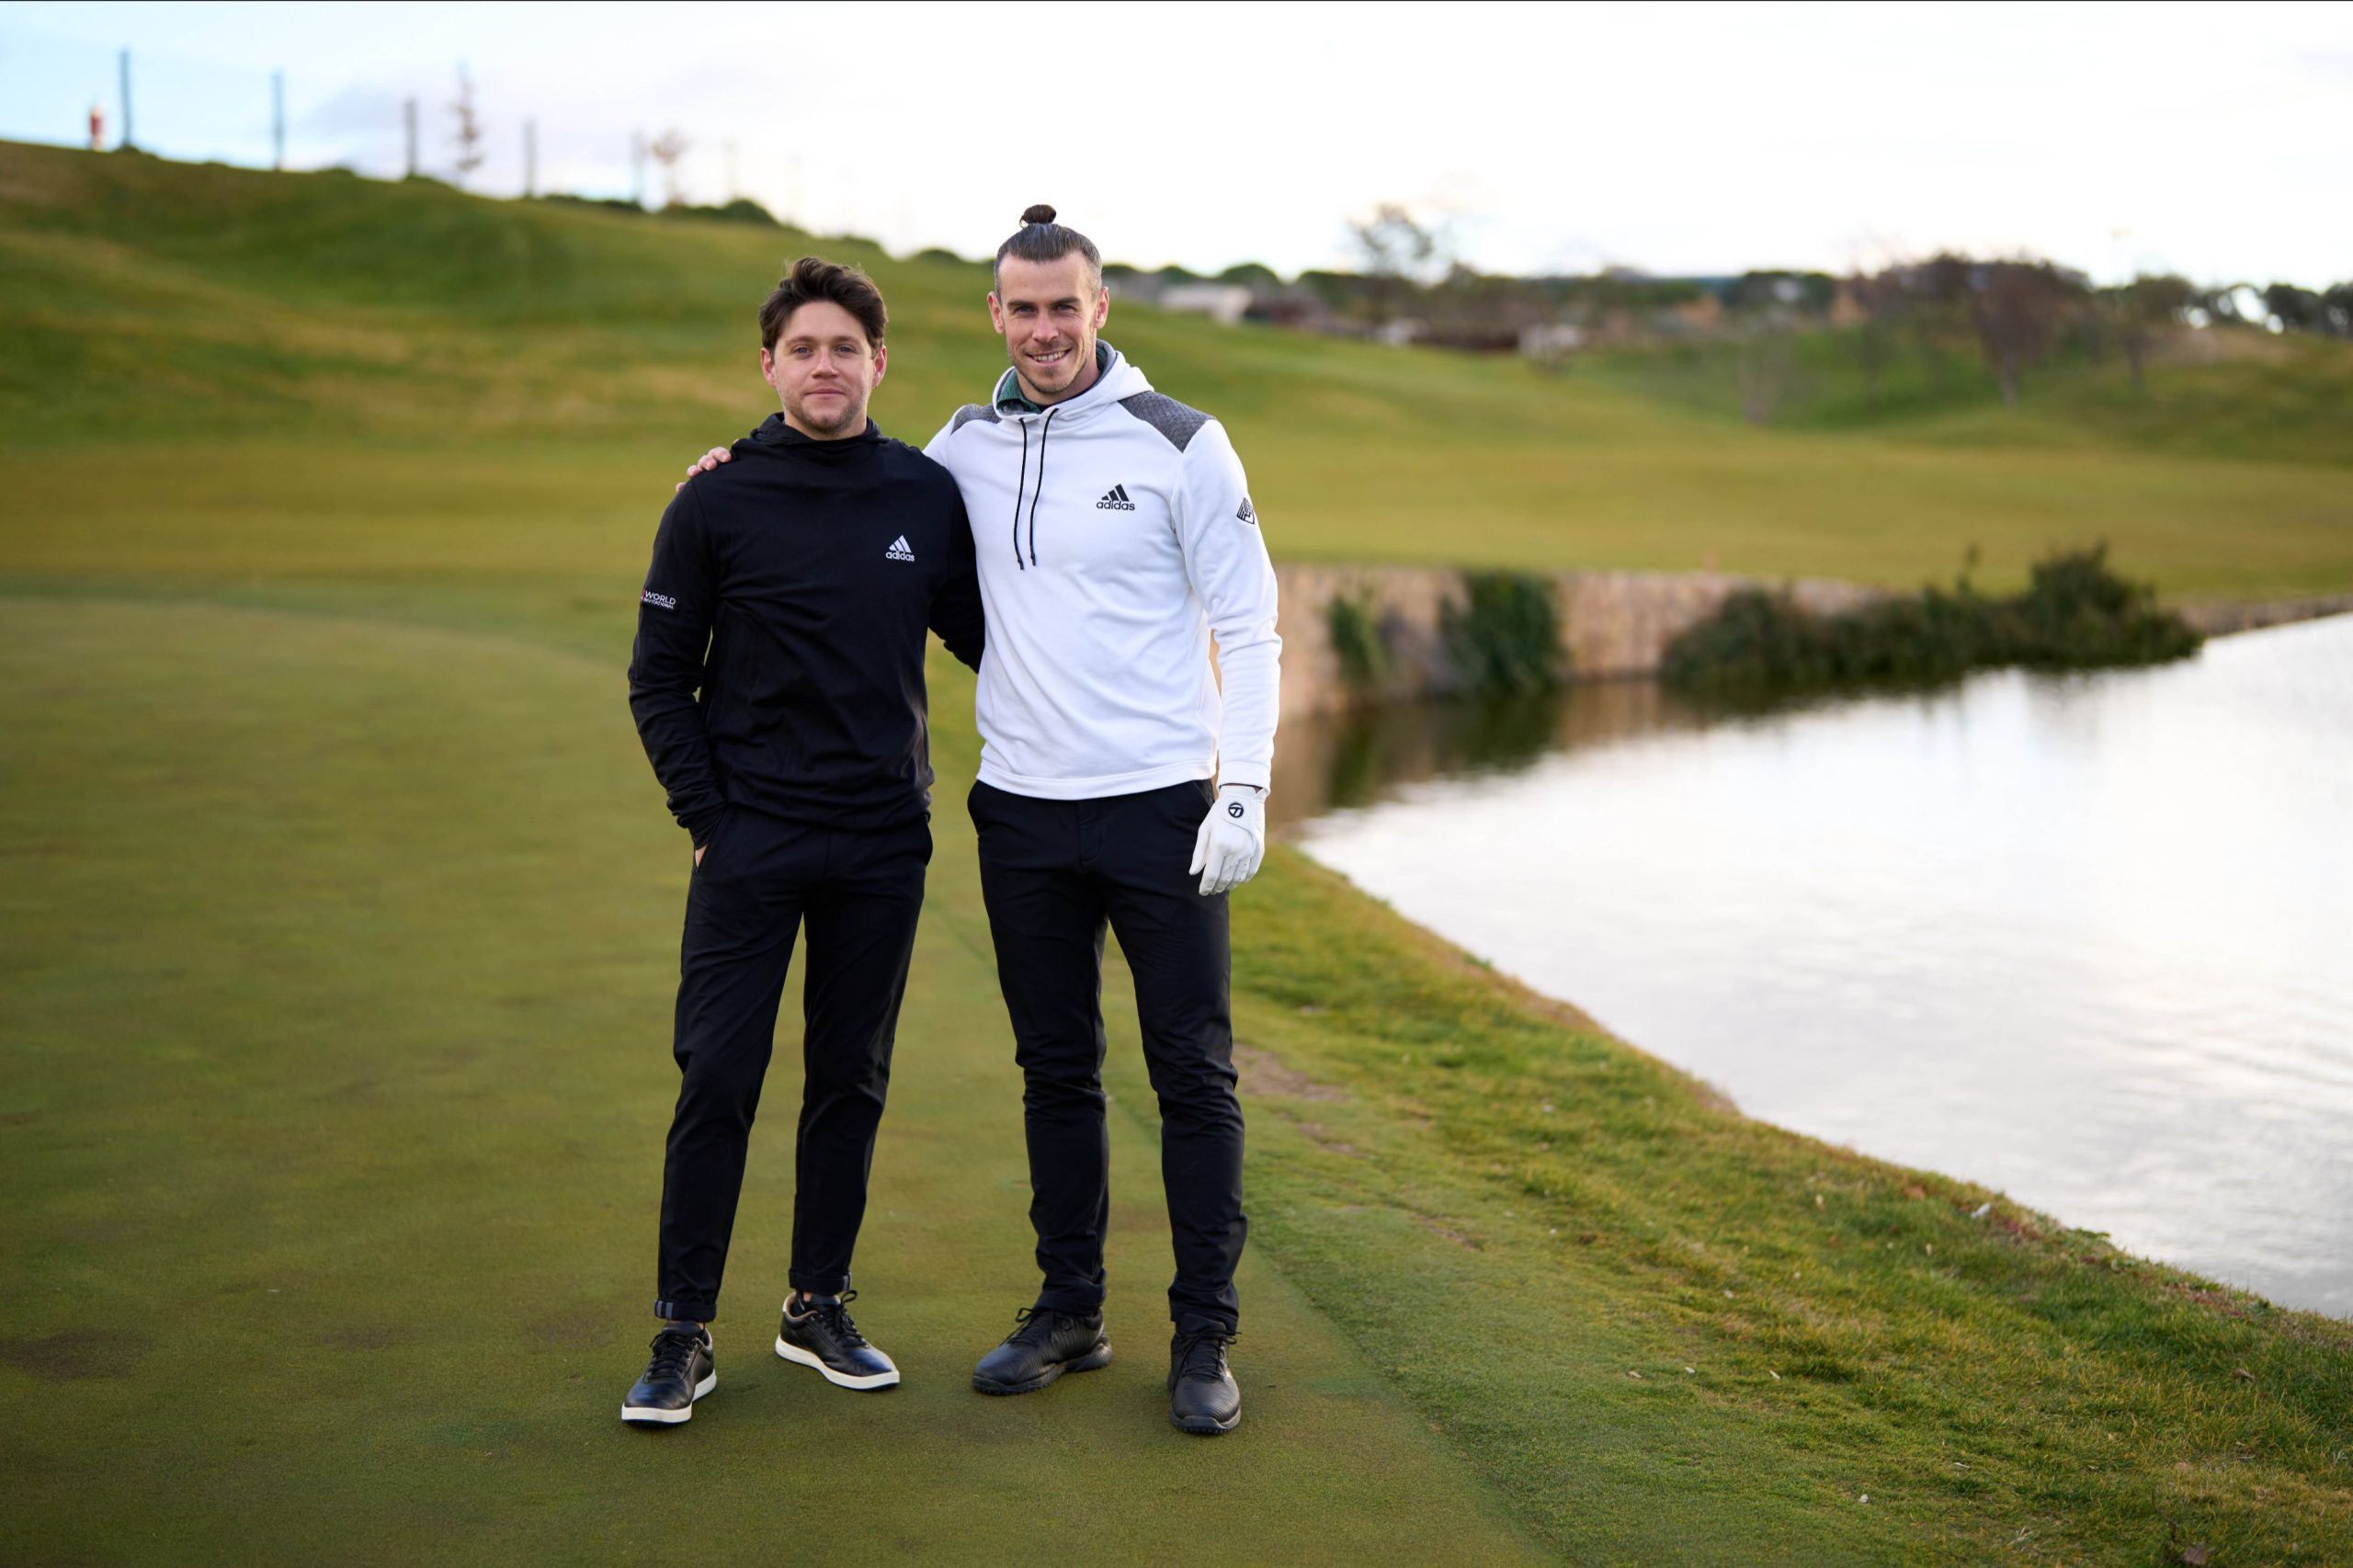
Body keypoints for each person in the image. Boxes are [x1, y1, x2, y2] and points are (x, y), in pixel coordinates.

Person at [686, 206, 1279, 1435]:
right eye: (1024, 307)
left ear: (1100, 308)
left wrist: (1245, 787)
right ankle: (1071, 1306)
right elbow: (853, 481)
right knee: (1055, 1071)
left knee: (1193, 1076)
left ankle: (1205, 1334)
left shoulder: (1183, 443)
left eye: (1067, 305)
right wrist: (727, 469)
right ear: (996, 315)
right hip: (1019, 810)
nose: (1046, 327)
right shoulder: (961, 447)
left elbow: (1250, 626)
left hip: (1161, 804)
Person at [621, 256, 985, 1426]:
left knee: (851, 1078)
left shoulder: (924, 494)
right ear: (768, 363)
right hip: (754, 836)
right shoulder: (715, 499)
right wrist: (711, 821)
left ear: (880, 363)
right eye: (802, 348)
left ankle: (814, 1301)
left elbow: (998, 637)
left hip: (884, 837)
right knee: (718, 1074)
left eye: (846, 348)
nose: (824, 366)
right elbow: (658, 679)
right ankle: (683, 1329)